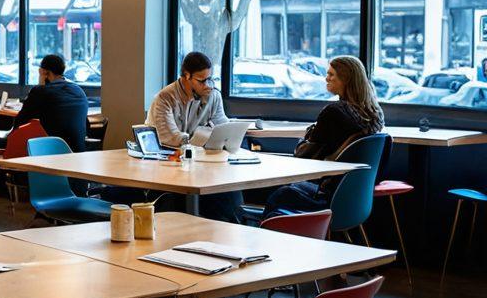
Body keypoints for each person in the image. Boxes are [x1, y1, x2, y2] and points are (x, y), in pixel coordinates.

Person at [124, 51, 243, 224]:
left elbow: (222, 128)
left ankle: (226, 233)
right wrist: (203, 139)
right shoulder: (164, 99)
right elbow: (171, 139)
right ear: (186, 76)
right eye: (202, 81)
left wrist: (226, 135)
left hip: (199, 166)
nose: (207, 85)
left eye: (210, 79)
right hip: (165, 168)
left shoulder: (213, 96)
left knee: (229, 192)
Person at [264, 55, 384, 218]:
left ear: (345, 78)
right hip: (353, 197)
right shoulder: (375, 114)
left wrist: (308, 135)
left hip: (326, 194)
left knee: (276, 189)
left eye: (331, 74)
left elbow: (302, 155)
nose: (326, 78)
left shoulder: (334, 112)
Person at [13, 54, 90, 152]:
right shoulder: (79, 90)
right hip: (78, 154)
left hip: (50, 153)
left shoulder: (40, 92)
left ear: (44, 72)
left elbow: (20, 123)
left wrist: (40, 85)